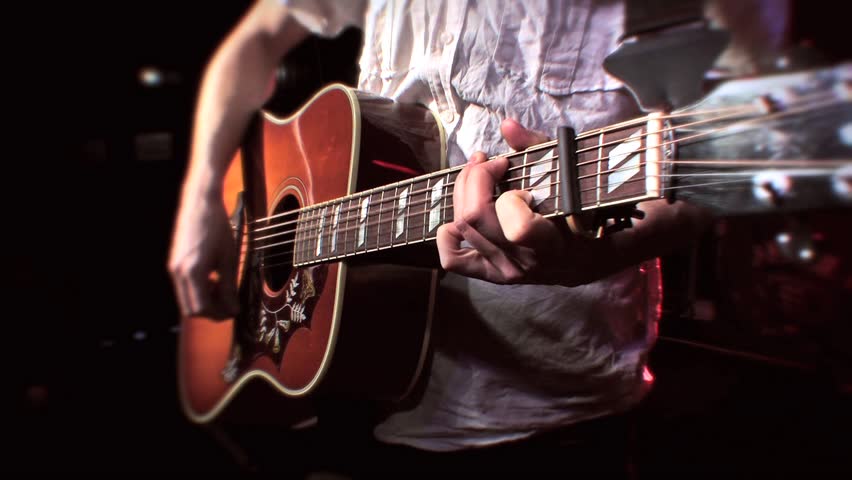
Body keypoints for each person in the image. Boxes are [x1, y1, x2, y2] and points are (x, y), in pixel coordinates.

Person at [168, 0, 790, 475]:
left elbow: (732, 142)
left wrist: (590, 257)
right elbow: (254, 38)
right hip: (351, 385)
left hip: (540, 408)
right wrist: (201, 195)